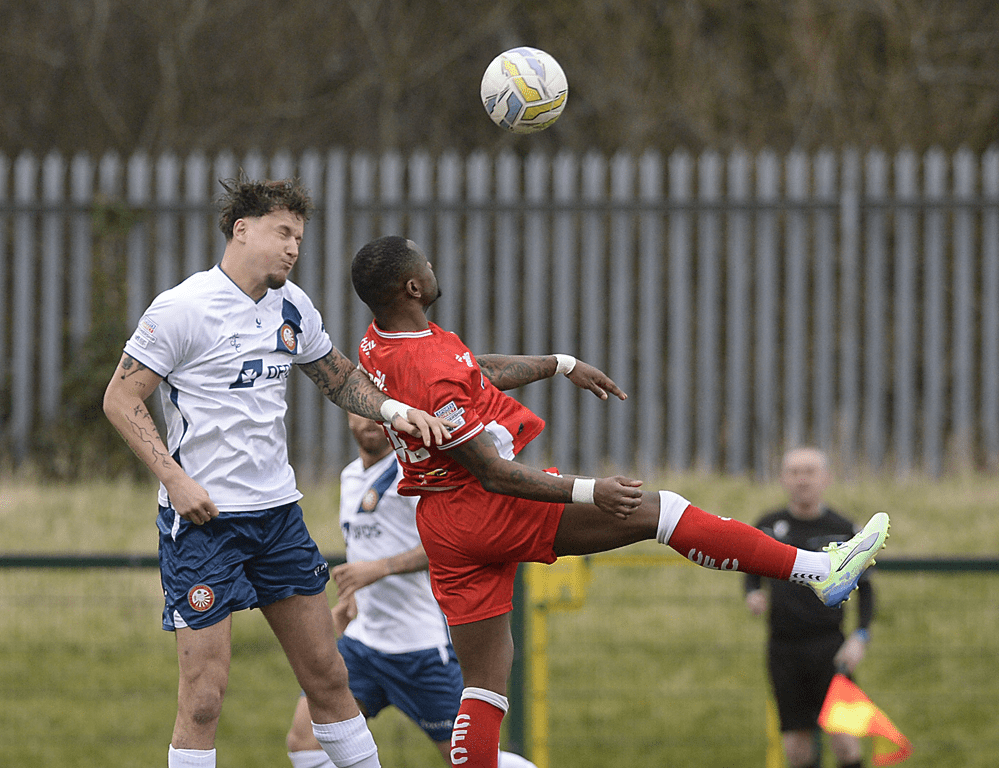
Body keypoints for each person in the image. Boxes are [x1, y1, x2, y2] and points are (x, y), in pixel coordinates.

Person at [348, 235, 891, 768]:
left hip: (443, 524)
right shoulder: (432, 372)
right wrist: (592, 492)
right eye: (425, 259)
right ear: (413, 286)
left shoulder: (379, 342)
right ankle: (819, 571)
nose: (434, 262)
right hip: (484, 506)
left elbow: (473, 368)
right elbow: (493, 474)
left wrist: (559, 363)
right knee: (663, 512)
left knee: (485, 685)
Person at [102, 180, 453, 768]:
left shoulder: (293, 306)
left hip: (278, 519)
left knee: (328, 675)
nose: (294, 248)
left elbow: (339, 378)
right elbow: (120, 398)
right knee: (204, 699)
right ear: (242, 230)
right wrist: (175, 480)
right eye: (282, 233)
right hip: (205, 524)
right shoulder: (183, 307)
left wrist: (396, 409)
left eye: (299, 237)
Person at [285, 413, 536, 768]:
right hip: (364, 645)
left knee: (474, 760)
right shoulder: (350, 475)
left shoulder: (416, 474)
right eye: (361, 409)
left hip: (420, 649)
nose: (370, 421)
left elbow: (451, 543)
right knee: (305, 744)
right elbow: (364, 546)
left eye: (378, 411)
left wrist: (381, 568)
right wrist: (351, 600)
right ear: (345, 413)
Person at [745, 447, 875, 768]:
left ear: (826, 478)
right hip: (784, 650)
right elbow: (749, 569)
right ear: (782, 478)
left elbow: (867, 589)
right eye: (794, 472)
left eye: (809, 471)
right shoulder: (767, 525)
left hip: (831, 649)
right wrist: (752, 593)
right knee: (797, 749)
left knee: (846, 741)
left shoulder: (844, 529)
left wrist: (860, 636)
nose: (802, 479)